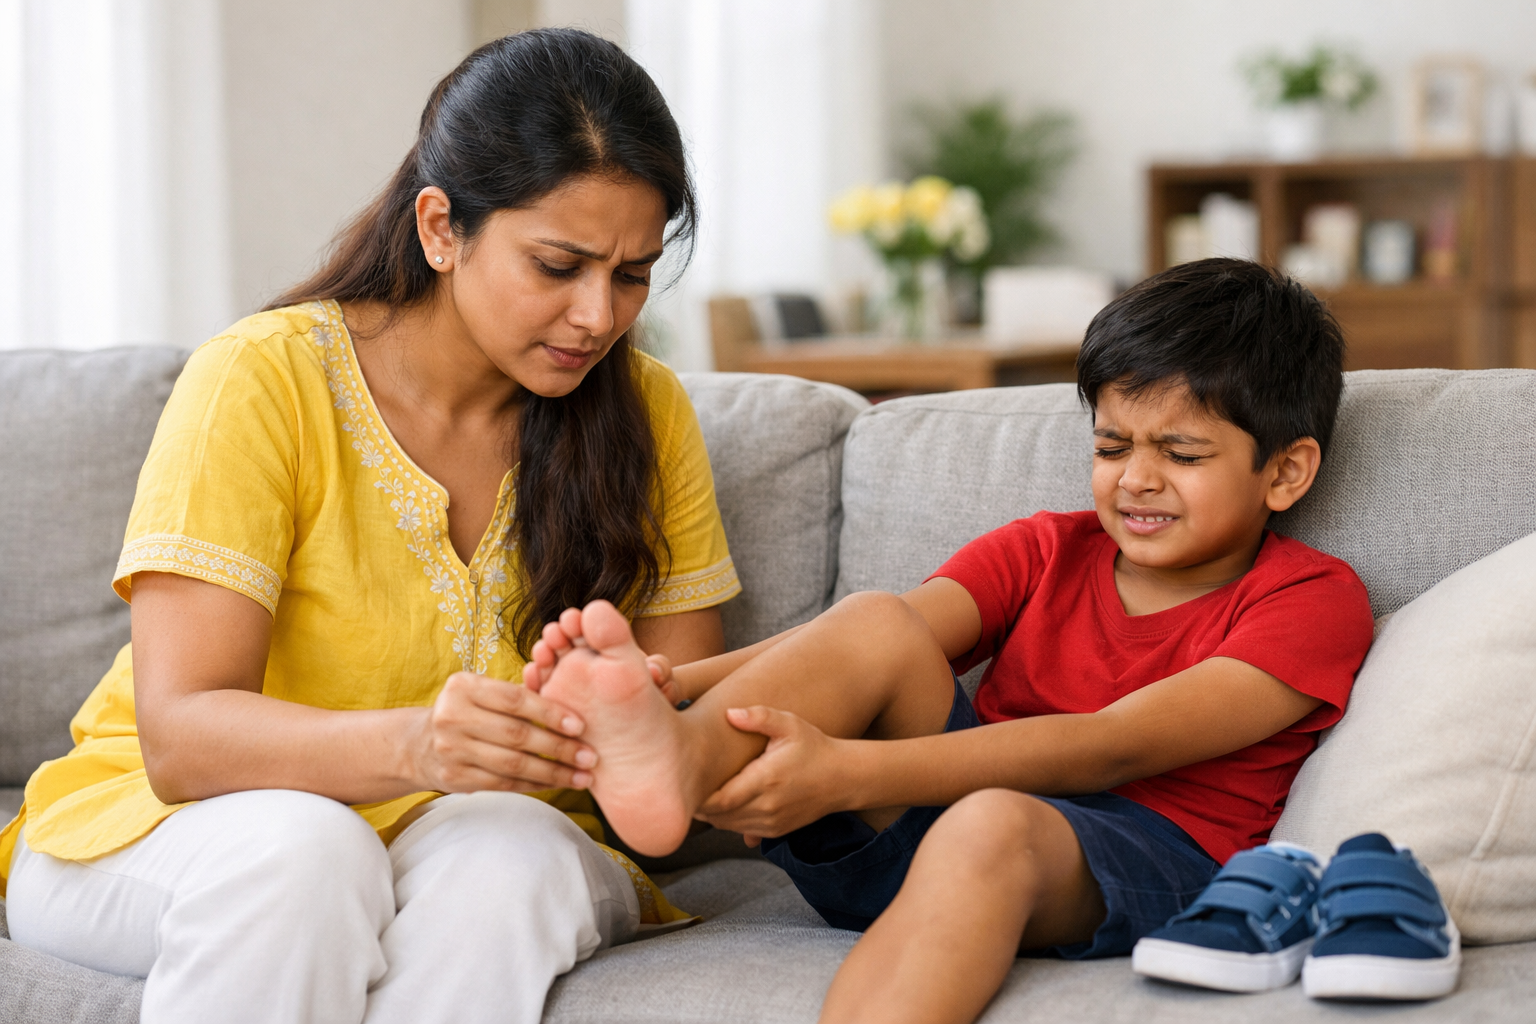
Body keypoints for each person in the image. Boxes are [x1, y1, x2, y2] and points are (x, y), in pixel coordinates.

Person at [0, 28, 742, 1024]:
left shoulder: (645, 413)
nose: (596, 316)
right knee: (308, 854)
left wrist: (623, 711)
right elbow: (181, 740)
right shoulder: (262, 380)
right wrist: (420, 744)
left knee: (518, 860)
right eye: (558, 265)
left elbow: (681, 746)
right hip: (163, 824)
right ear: (442, 228)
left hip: (466, 834)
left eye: (633, 273)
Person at [523, 258, 1376, 1024]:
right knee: (876, 620)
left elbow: (1109, 747)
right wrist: (662, 680)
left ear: (1286, 471)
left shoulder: (1310, 599)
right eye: (1113, 445)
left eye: (1180, 453)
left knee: (994, 822)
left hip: (1142, 861)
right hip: (932, 828)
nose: (1136, 478)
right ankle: (678, 760)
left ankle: (684, 762)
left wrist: (842, 773)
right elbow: (859, 639)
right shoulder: (1049, 545)